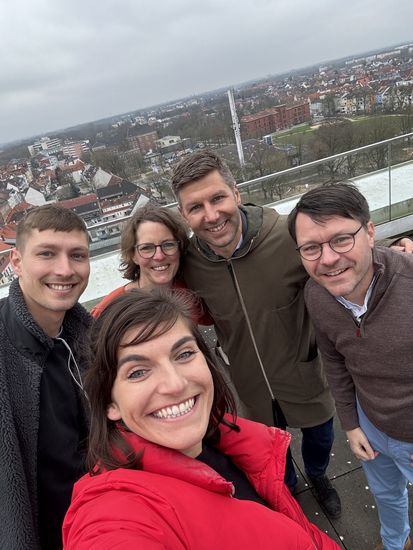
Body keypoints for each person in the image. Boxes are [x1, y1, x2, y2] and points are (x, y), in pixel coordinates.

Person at [63, 289, 340, 550]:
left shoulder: (232, 444)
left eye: (183, 354)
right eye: (137, 372)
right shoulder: (115, 514)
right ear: (110, 404)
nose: (174, 384)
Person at [287, 183, 413, 550]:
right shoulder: (317, 295)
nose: (327, 259)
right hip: (370, 426)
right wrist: (351, 423)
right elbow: (335, 361)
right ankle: (394, 544)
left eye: (341, 239)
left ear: (370, 232)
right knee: (388, 497)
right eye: (311, 248)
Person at [0, 204, 92, 550]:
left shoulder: (90, 341)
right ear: (17, 263)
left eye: (77, 255)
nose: (65, 270)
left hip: (99, 525)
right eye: (47, 254)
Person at [91, 202, 209, 324]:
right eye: (147, 248)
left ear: (180, 249)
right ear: (133, 256)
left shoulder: (190, 294)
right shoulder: (107, 311)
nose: (159, 256)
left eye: (168, 245)